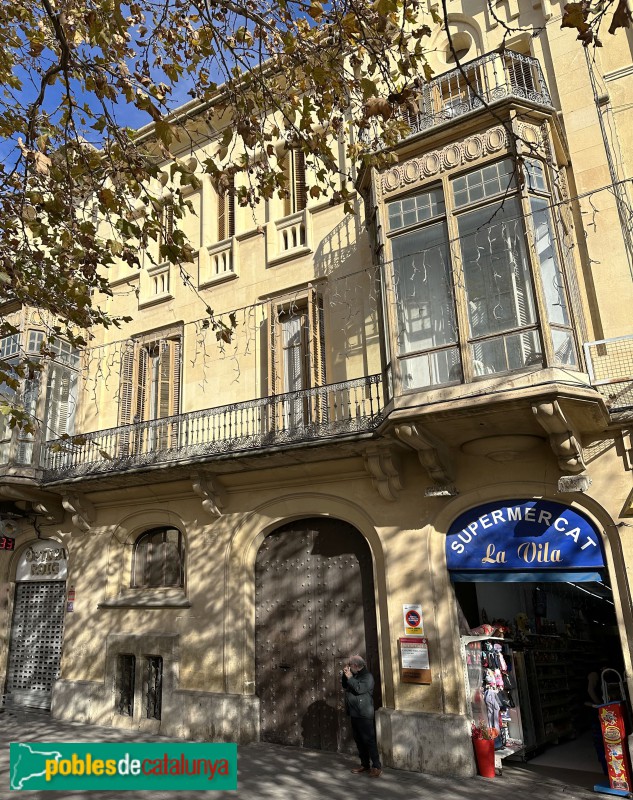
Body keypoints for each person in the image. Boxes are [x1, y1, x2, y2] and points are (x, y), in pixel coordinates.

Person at [342, 654, 382, 778]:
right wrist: (346, 675)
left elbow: (359, 689)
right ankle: (365, 764)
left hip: (364, 714)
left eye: (350, 665)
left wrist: (350, 677)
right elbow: (345, 685)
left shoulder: (367, 676)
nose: (349, 667)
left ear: (356, 666)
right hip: (355, 713)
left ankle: (376, 766)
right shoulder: (355, 675)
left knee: (369, 740)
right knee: (359, 740)